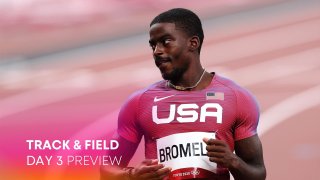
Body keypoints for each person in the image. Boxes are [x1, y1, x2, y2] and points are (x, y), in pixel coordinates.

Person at [100, 8, 266, 180]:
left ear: (193, 43)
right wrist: (132, 176)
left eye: (165, 42)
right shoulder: (140, 102)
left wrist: (233, 161)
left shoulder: (236, 98)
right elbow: (107, 171)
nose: (157, 51)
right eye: (153, 45)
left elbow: (258, 174)